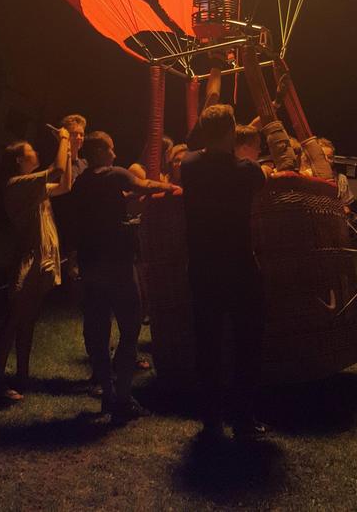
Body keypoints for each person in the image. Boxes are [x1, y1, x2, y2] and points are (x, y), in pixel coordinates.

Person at [70, 131, 180, 423]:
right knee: (131, 327)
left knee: (98, 328)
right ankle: (123, 395)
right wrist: (170, 187)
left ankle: (107, 392)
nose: (115, 155)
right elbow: (142, 185)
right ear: (101, 153)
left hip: (91, 261)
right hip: (117, 261)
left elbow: (110, 202)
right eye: (111, 149)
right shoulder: (114, 173)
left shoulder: (82, 182)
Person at [181, 104, 267, 441]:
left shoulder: (189, 166)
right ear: (232, 132)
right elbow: (262, 178)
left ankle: (211, 419)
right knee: (247, 345)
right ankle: (244, 418)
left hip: (202, 267)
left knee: (208, 344)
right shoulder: (246, 171)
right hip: (240, 267)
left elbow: (192, 149)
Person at [0, 130, 71, 402]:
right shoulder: (17, 184)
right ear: (19, 161)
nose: (36, 152)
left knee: (29, 321)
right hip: (27, 259)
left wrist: (69, 149)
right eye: (31, 151)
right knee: (14, 320)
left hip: (41, 259)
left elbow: (64, 186)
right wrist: (63, 139)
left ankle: (22, 376)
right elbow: (57, 171)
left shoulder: (31, 185)